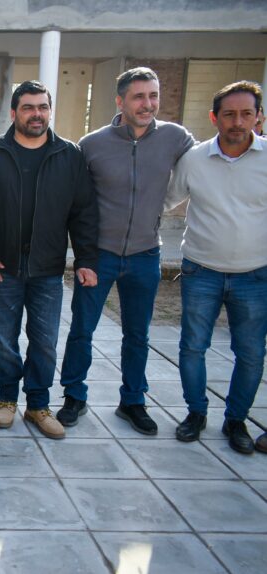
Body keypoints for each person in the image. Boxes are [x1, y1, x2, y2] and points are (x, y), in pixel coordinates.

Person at [56, 67, 195, 434]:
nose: (147, 104)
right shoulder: (92, 144)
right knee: (82, 331)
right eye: (138, 97)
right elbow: (78, 202)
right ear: (120, 101)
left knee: (138, 334)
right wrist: (81, 253)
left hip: (145, 254)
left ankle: (133, 400)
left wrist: (162, 207)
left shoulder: (176, 137)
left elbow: (201, 169)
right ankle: (74, 395)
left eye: (153, 96)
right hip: (99, 255)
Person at [0, 80, 98, 439]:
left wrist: (86, 258)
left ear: (49, 111)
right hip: (1, 268)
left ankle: (38, 404)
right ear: (14, 113)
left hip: (47, 269)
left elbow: (83, 212)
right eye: (28, 107)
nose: (36, 114)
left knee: (44, 341)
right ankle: (7, 398)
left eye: (42, 107)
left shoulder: (69, 155)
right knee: (4, 340)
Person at [165, 81, 267, 454]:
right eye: (229, 114)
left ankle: (236, 419)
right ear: (214, 118)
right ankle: (195, 413)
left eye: (245, 114)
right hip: (202, 270)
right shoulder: (194, 159)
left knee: (252, 352)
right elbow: (166, 200)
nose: (237, 122)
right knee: (192, 347)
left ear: (259, 117)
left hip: (256, 275)